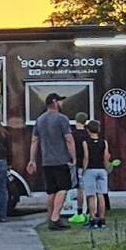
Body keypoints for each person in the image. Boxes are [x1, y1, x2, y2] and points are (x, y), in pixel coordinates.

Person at [32, 95, 76, 230]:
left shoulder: (40, 120)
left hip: (46, 161)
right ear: (54, 102)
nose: (62, 103)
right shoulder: (62, 119)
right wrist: (73, 157)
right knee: (63, 189)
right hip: (61, 160)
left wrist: (32, 159)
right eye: (60, 100)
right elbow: (68, 139)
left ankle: (50, 216)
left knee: (52, 191)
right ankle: (55, 218)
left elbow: (34, 141)